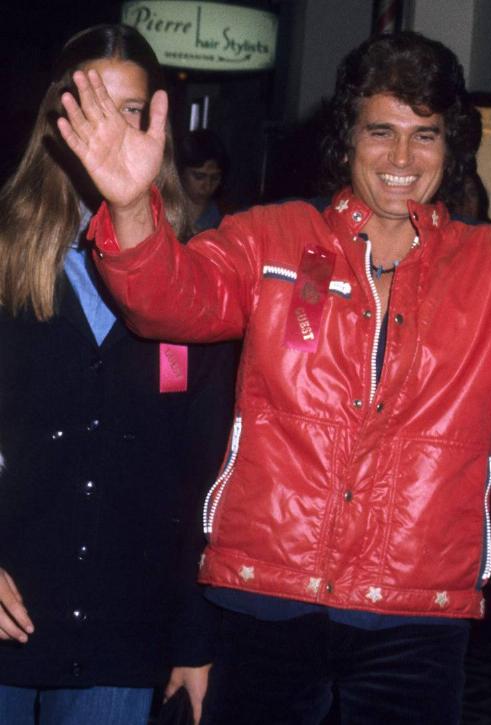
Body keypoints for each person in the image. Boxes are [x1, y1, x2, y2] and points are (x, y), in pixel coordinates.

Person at [57, 30, 491, 724]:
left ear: (450, 145)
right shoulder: (270, 236)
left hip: (416, 613)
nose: (402, 156)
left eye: (425, 133)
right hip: (264, 592)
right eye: (380, 131)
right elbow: (167, 302)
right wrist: (129, 205)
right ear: (348, 138)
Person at [0, 24, 234, 725]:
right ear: (56, 115)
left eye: (130, 109)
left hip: (125, 627)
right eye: (91, 101)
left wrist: (194, 633)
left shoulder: (198, 267)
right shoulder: (5, 251)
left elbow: (204, 465)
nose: (110, 126)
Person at [177, 129, 227, 233]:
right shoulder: (162, 212)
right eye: (199, 176)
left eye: (214, 178)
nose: (207, 186)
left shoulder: (225, 218)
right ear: (181, 173)